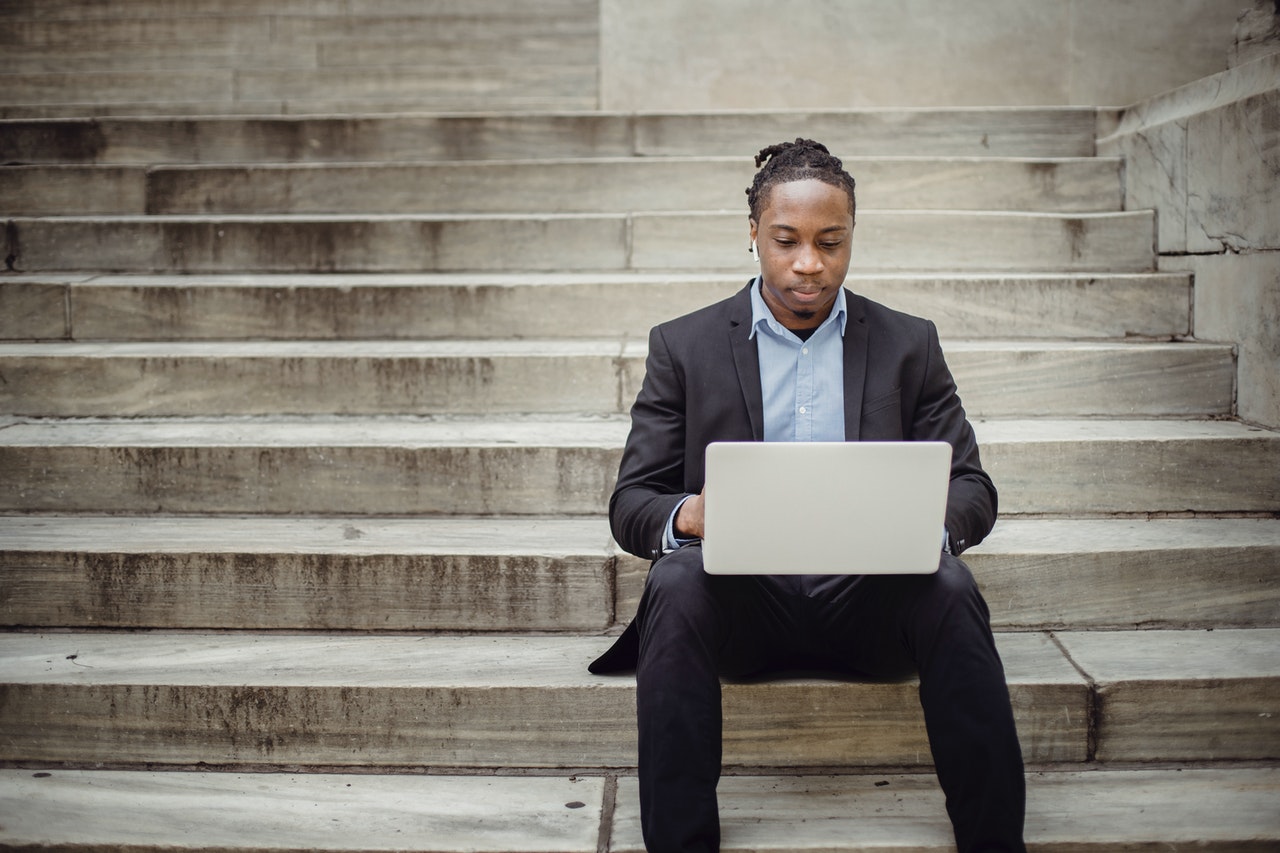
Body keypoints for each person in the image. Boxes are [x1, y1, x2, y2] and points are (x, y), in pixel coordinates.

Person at [589, 139, 1027, 853]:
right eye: (786, 241)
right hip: (742, 611)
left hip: (873, 605)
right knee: (674, 577)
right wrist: (690, 514)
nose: (808, 264)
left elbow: (974, 487)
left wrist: (923, 524)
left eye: (831, 242)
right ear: (754, 233)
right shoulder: (685, 345)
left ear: (853, 235)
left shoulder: (908, 343)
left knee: (949, 582)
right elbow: (632, 501)